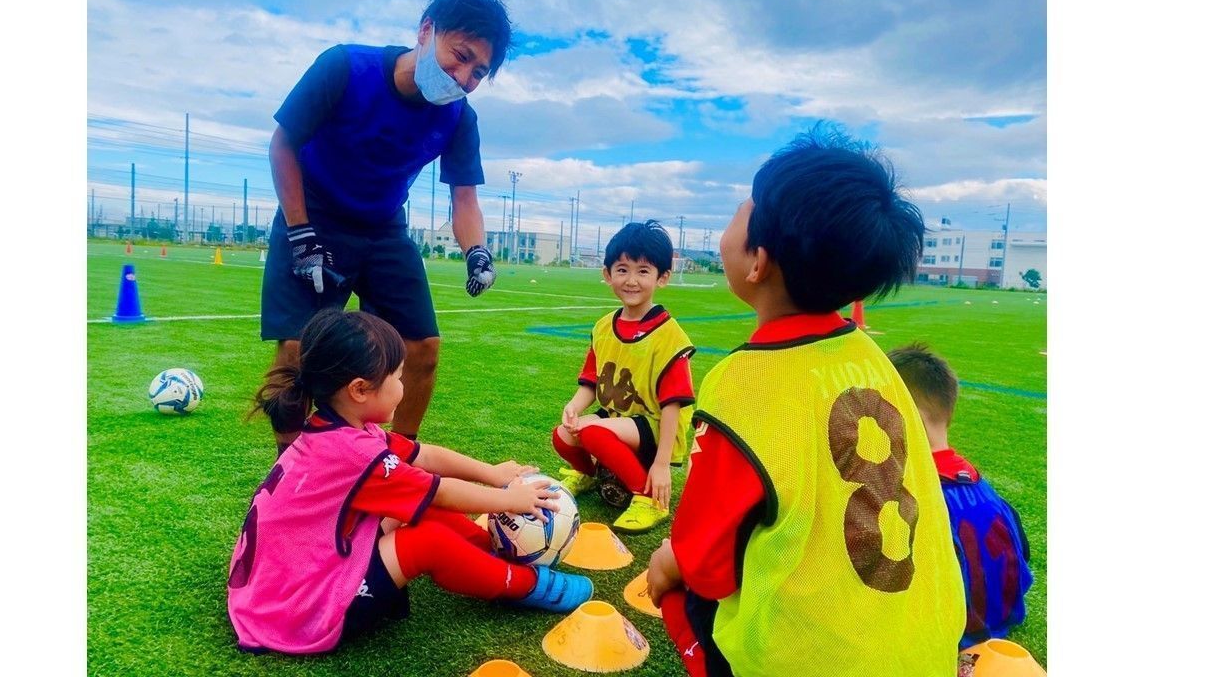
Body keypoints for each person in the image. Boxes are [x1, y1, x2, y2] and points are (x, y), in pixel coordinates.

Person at [644, 125, 965, 676]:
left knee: (673, 578)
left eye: (742, 206)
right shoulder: (871, 357)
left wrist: (669, 560)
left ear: (757, 261)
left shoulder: (745, 380)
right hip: (926, 652)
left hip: (813, 662)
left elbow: (707, 562)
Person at [228, 308, 594, 655]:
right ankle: (528, 585)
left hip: (279, 588)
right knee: (426, 542)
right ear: (359, 389)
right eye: (399, 376)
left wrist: (492, 473)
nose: (403, 385)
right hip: (299, 613)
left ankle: (492, 552)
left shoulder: (340, 430)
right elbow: (441, 491)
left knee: (415, 511)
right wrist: (511, 500)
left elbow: (426, 456)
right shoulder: (354, 454)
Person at [261, 0, 511, 453]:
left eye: (479, 73)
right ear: (426, 31)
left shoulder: (459, 117)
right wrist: (300, 234)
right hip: (312, 221)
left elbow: (465, 198)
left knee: (422, 348)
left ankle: (396, 462)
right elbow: (283, 143)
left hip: (382, 229)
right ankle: (290, 472)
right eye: (461, 56)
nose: (464, 78)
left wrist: (477, 252)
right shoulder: (344, 68)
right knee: (296, 352)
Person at [551, 220, 696, 534]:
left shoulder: (669, 336)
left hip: (654, 425)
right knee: (563, 433)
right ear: (607, 274)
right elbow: (591, 379)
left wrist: (662, 463)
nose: (631, 280)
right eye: (622, 269)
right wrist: (574, 406)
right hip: (619, 417)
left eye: (643, 271)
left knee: (593, 433)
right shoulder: (604, 326)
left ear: (663, 277)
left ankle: (649, 500)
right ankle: (587, 474)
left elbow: (674, 405)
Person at [887, 342, 1034, 648]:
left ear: (902, 415)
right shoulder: (986, 489)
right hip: (1004, 620)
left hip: (949, 640)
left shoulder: (910, 501)